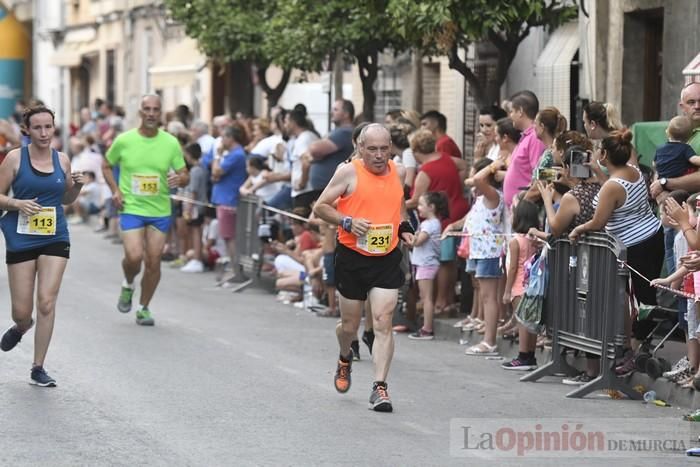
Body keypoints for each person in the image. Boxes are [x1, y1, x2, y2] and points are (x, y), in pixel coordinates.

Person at [313, 123, 414, 413]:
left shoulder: (400, 171)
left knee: (383, 321)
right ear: (360, 148)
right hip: (352, 257)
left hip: (385, 257)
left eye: (385, 149)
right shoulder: (348, 172)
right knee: (349, 326)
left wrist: (405, 228)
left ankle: (380, 388)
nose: (380, 155)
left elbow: (399, 206)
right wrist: (347, 221)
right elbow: (320, 206)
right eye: (373, 149)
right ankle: (345, 356)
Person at [0, 104, 86, 387]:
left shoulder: (62, 160)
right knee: (22, 311)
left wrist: (77, 187)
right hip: (21, 236)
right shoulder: (14, 158)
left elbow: (65, 200)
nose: (44, 132)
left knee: (47, 302)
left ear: (54, 127)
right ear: (27, 130)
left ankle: (38, 366)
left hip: (54, 236)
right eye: (37, 127)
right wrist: (16, 203)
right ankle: (22, 326)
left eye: (48, 126)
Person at [569, 129, 663, 376]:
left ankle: (636, 351)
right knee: (642, 296)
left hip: (635, 245)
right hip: (651, 235)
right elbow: (616, 193)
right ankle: (632, 347)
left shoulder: (612, 185)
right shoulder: (633, 171)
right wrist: (601, 175)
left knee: (638, 299)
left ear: (605, 155)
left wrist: (578, 228)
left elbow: (598, 221)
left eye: (600, 150)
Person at [102, 95, 189, 326]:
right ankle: (128, 283)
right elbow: (106, 165)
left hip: (160, 210)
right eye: (147, 109)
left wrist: (179, 179)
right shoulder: (124, 140)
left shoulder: (170, 142)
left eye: (155, 110)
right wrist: (115, 190)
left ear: (161, 113)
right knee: (134, 256)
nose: (151, 113)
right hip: (131, 207)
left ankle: (143, 307)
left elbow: (185, 174)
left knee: (153, 261)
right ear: (140, 112)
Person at [445, 157, 506, 357]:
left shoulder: (493, 195)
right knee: (485, 295)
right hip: (479, 251)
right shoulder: (482, 198)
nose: (472, 181)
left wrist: (491, 167)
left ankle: (489, 341)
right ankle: (487, 338)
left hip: (490, 252)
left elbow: (478, 180)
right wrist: (453, 226)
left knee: (489, 298)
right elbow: (469, 218)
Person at [499, 198, 541, 370]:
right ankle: (530, 355)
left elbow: (513, 267)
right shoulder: (534, 240)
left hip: (518, 286)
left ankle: (523, 355)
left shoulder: (515, 241)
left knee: (522, 322)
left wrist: (507, 291)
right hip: (532, 285)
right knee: (530, 323)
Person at [408, 191, 449, 340]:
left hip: (426, 263)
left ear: (431, 207)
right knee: (425, 297)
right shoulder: (434, 223)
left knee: (426, 298)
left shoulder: (429, 224)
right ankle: (426, 327)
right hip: (426, 263)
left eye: (421, 205)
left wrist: (409, 239)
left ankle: (427, 328)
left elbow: (418, 241)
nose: (418, 208)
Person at [211, 125, 248, 283]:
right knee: (227, 237)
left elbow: (216, 172)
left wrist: (217, 157)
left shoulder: (236, 155)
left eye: (223, 137)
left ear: (231, 138)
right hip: (224, 198)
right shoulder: (233, 154)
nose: (221, 140)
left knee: (230, 237)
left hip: (229, 200)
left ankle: (236, 270)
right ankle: (234, 268)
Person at [502, 90, 546, 208]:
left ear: (520, 111)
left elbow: (540, 176)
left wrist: (523, 203)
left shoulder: (535, 138)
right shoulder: (525, 137)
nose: (510, 116)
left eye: (511, 112)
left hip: (525, 212)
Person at [306, 99, 355, 199]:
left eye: (336, 109)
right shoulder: (336, 131)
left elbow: (315, 149)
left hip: (331, 191)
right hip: (325, 189)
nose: (331, 112)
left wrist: (315, 154)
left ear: (346, 114)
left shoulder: (345, 132)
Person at [180, 142, 208, 273]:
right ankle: (195, 258)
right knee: (194, 231)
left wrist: (188, 208)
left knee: (196, 232)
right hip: (196, 205)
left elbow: (193, 191)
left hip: (195, 206)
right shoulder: (200, 169)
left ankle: (197, 259)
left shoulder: (196, 171)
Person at [654, 116, 700, 181]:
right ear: (689, 137)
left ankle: (665, 191)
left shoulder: (660, 148)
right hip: (678, 179)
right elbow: (694, 160)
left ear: (667, 133)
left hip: (662, 178)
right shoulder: (685, 148)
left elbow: (654, 164)